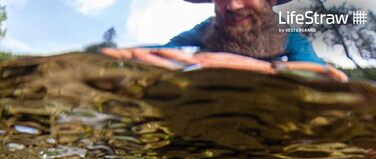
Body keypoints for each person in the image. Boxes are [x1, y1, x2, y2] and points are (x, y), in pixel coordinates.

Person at [102, 0, 347, 82]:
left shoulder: (288, 36)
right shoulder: (205, 31)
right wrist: (131, 56)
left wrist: (263, 69)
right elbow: (166, 52)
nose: (232, 5)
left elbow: (324, 74)